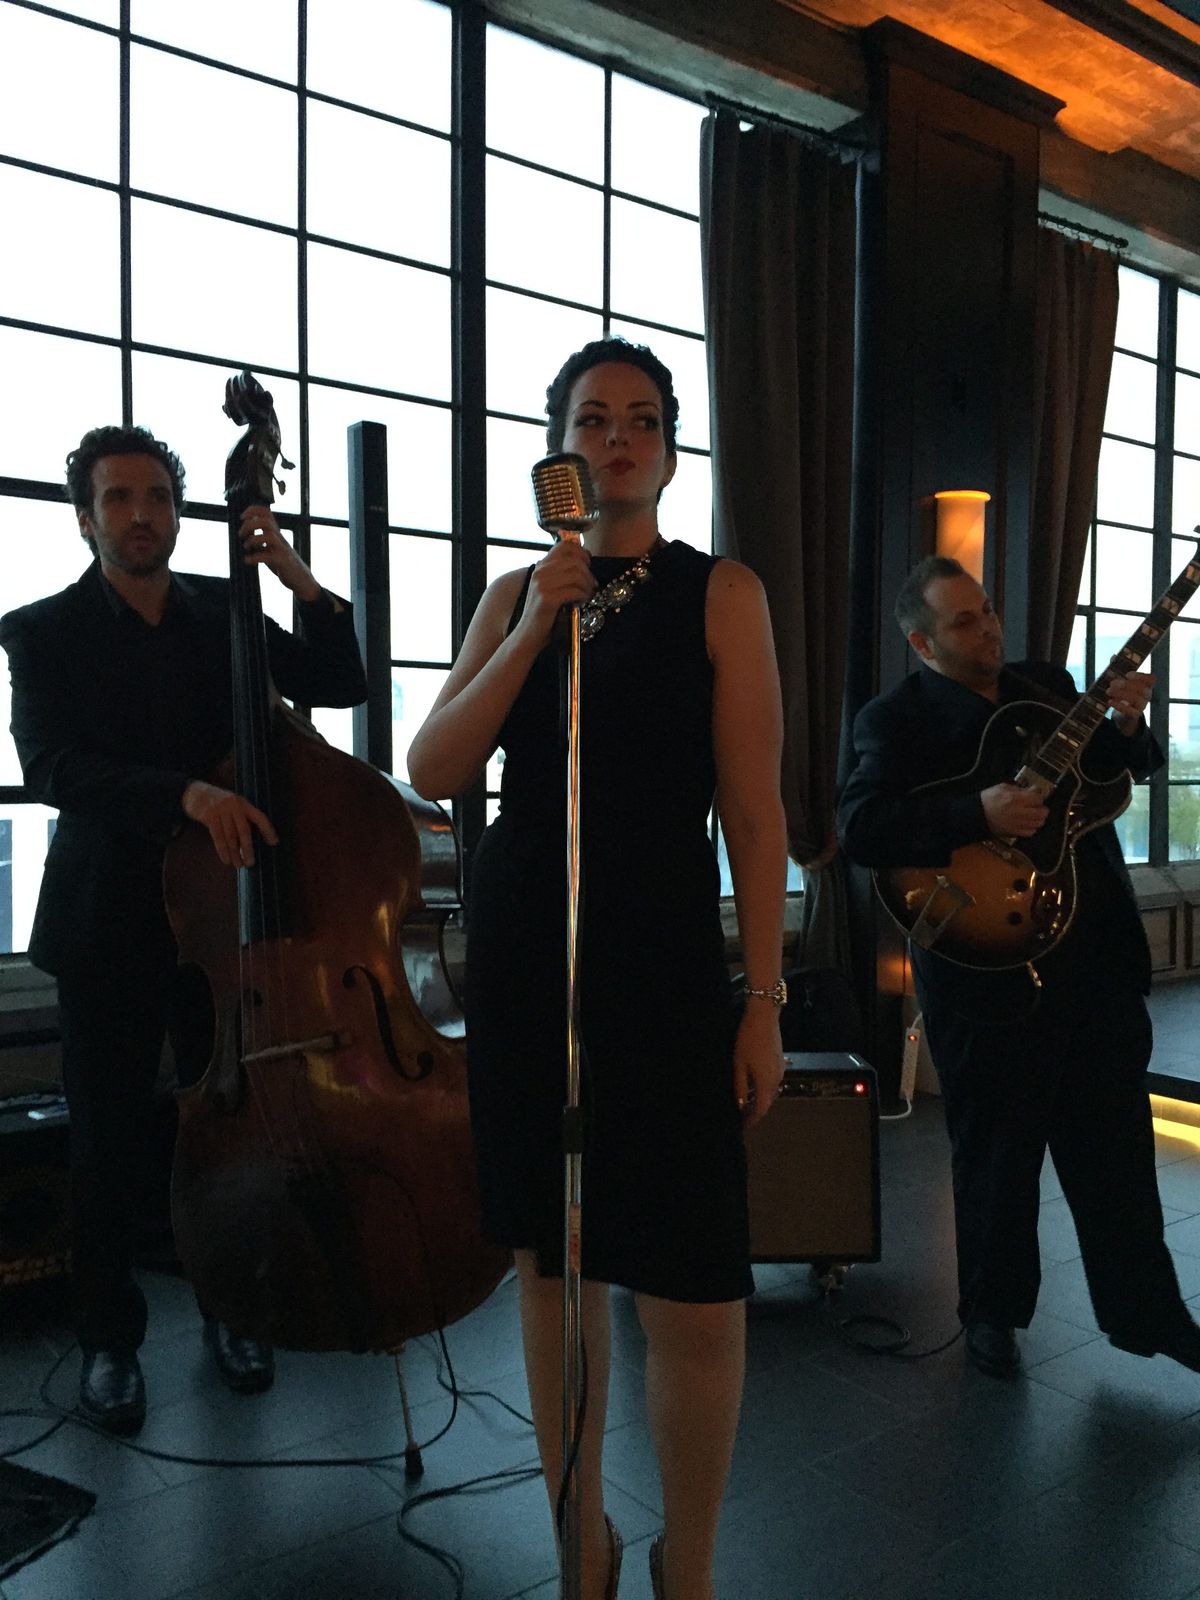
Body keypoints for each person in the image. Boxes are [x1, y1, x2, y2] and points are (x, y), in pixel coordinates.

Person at [408, 337, 787, 1600]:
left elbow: (756, 817)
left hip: (663, 957)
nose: (615, 438)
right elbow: (435, 765)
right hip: (528, 954)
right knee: (551, 1264)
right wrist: (535, 624)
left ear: (669, 450)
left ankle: (692, 1559)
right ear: (560, 449)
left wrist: (764, 999)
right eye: (591, 419)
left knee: (691, 1273)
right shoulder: (518, 594)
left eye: (640, 419)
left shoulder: (722, 593)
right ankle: (581, 1541)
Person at [0, 424, 368, 1435]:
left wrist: (292, 573)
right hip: (106, 919)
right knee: (107, 1139)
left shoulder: (224, 610)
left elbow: (341, 683)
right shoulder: (41, 632)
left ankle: (233, 1308)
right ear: (86, 520)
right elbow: (53, 767)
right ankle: (108, 1341)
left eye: (157, 496)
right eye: (118, 498)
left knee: (228, 1132)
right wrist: (188, 794)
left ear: (177, 511)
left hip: (223, 918)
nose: (141, 514)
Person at [838, 553, 1200, 1380]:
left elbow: (1117, 774)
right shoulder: (895, 720)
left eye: (990, 610)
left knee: (1116, 1149)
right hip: (985, 971)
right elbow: (862, 828)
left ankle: (1149, 1315)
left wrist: (1127, 726)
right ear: (923, 642)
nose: (990, 628)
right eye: (965, 621)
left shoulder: (1047, 684)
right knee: (997, 1154)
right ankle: (993, 1316)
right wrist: (977, 812)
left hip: (1094, 955)